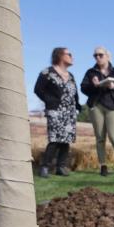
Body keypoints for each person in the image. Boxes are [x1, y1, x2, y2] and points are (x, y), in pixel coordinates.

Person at [80, 46, 114, 176]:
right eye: (95, 55)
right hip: (96, 106)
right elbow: (83, 88)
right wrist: (94, 85)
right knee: (100, 138)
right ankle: (103, 166)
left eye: (100, 55)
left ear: (108, 56)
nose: (97, 57)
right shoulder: (90, 72)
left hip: (113, 107)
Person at [34, 47, 82, 177]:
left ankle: (61, 167)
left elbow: (74, 93)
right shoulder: (47, 72)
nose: (72, 57)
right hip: (55, 110)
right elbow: (38, 89)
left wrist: (78, 106)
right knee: (55, 139)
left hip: (70, 112)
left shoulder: (71, 76)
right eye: (69, 54)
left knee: (66, 140)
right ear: (59, 55)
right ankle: (44, 167)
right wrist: (50, 101)